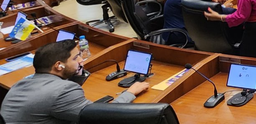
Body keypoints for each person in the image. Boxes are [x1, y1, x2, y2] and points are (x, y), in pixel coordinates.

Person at [0, 40, 150, 124]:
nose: (81, 60)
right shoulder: (63, 91)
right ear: (59, 65)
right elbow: (102, 117)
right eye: (76, 57)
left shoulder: (22, 83)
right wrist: (130, 93)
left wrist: (76, 73)